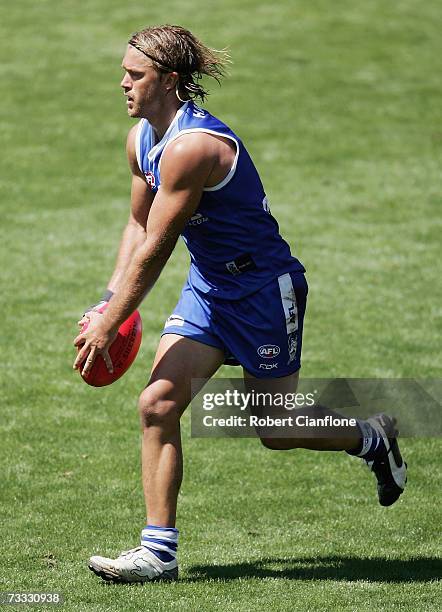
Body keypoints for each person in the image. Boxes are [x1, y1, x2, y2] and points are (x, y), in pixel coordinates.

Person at [73, 25, 407, 584]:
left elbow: (157, 246)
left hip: (262, 291)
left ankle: (372, 437)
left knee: (272, 427)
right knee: (157, 406)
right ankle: (159, 553)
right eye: (124, 72)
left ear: (170, 81)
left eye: (135, 75)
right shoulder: (140, 141)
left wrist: (111, 324)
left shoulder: (194, 148)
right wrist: (110, 302)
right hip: (209, 289)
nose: (122, 84)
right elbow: (136, 226)